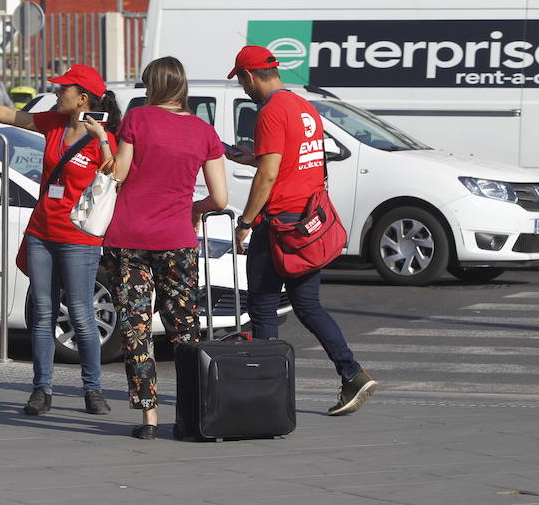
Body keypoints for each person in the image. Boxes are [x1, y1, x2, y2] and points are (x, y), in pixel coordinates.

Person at [0, 65, 121, 417]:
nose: (57, 92)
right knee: (43, 312)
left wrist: (103, 137)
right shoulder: (53, 123)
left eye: (65, 89)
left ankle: (93, 389)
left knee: (80, 313)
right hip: (41, 232)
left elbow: (116, 173)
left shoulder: (102, 138)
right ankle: (41, 389)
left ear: (83, 98)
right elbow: (7, 114)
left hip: (79, 238)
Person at [227, 45, 378, 416]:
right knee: (309, 305)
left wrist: (245, 222)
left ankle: (269, 397)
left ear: (249, 76)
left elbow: (269, 175)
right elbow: (297, 158)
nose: (244, 88)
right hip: (307, 222)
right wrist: (256, 155)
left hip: (278, 224)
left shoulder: (270, 113)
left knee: (262, 309)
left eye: (242, 80)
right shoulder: (304, 106)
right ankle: (352, 373)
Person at [94, 56, 228, 440]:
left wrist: (102, 140)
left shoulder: (137, 119)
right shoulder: (204, 132)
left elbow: (117, 173)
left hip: (127, 238)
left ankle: (149, 417)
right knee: (184, 329)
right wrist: (195, 210)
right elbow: (219, 198)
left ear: (152, 86)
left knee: (136, 329)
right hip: (177, 242)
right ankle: (189, 414)